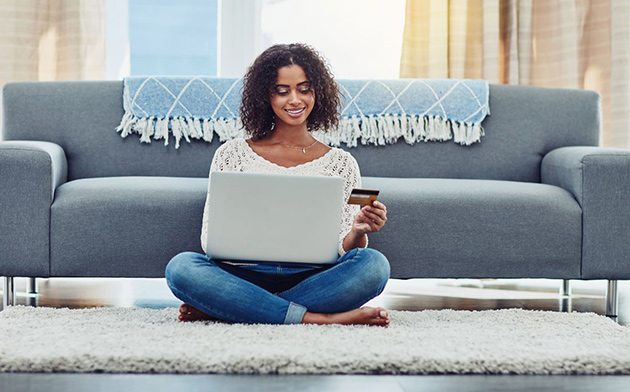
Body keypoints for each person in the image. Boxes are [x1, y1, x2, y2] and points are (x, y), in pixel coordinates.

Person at [165, 43, 391, 326]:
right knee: (181, 268)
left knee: (374, 265)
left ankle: (234, 307)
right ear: (265, 97)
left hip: (312, 277)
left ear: (317, 92)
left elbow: (345, 248)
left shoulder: (342, 163)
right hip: (242, 274)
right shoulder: (230, 154)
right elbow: (209, 239)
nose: (295, 100)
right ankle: (316, 318)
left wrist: (359, 229)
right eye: (282, 91)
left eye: (304, 89)